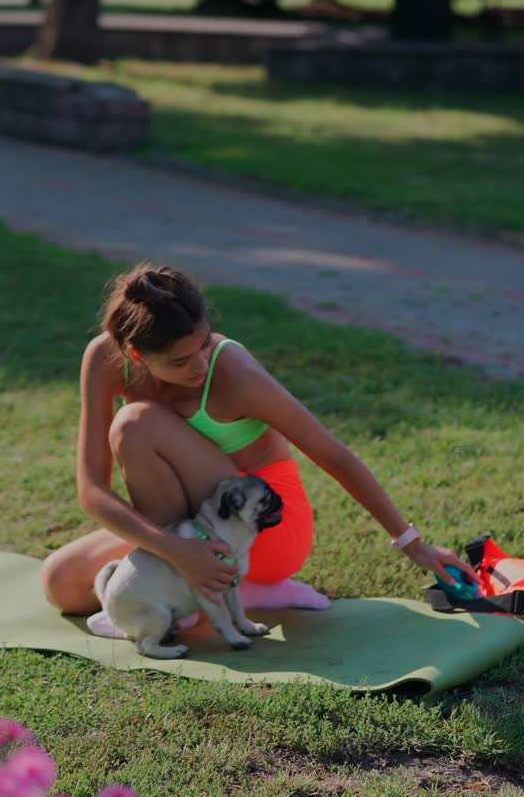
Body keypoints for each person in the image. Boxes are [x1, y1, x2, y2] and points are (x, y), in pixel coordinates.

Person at [42, 262, 476, 623]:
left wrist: (412, 542)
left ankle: (206, 590)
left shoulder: (234, 372)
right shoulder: (104, 359)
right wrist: (175, 547)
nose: (200, 364)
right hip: (192, 528)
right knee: (61, 583)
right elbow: (91, 490)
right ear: (136, 355)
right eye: (180, 360)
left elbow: (332, 454)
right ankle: (232, 587)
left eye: (204, 343)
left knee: (134, 424)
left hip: (268, 527)